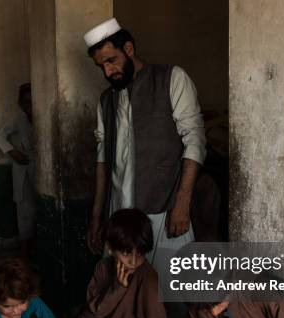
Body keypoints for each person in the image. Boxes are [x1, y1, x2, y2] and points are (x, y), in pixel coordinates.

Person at [83, 18, 206, 274]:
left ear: (129, 49)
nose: (107, 72)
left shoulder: (171, 78)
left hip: (163, 209)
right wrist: (96, 217)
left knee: (170, 287)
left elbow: (194, 140)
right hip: (119, 213)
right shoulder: (106, 101)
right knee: (123, 284)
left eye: (111, 60)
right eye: (100, 66)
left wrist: (183, 200)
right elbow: (102, 162)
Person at [17, 208, 174, 318]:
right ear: (110, 248)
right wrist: (118, 288)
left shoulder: (148, 277)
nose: (134, 261)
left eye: (140, 253)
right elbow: (97, 311)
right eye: (126, 253)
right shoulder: (103, 267)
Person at [0, 83, 36, 258]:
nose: (30, 106)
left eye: (33, 102)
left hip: (42, 172)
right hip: (24, 170)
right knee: (25, 212)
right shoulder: (18, 120)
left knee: (41, 212)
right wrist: (13, 152)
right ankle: (25, 255)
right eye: (26, 102)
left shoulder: (45, 117)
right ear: (20, 104)